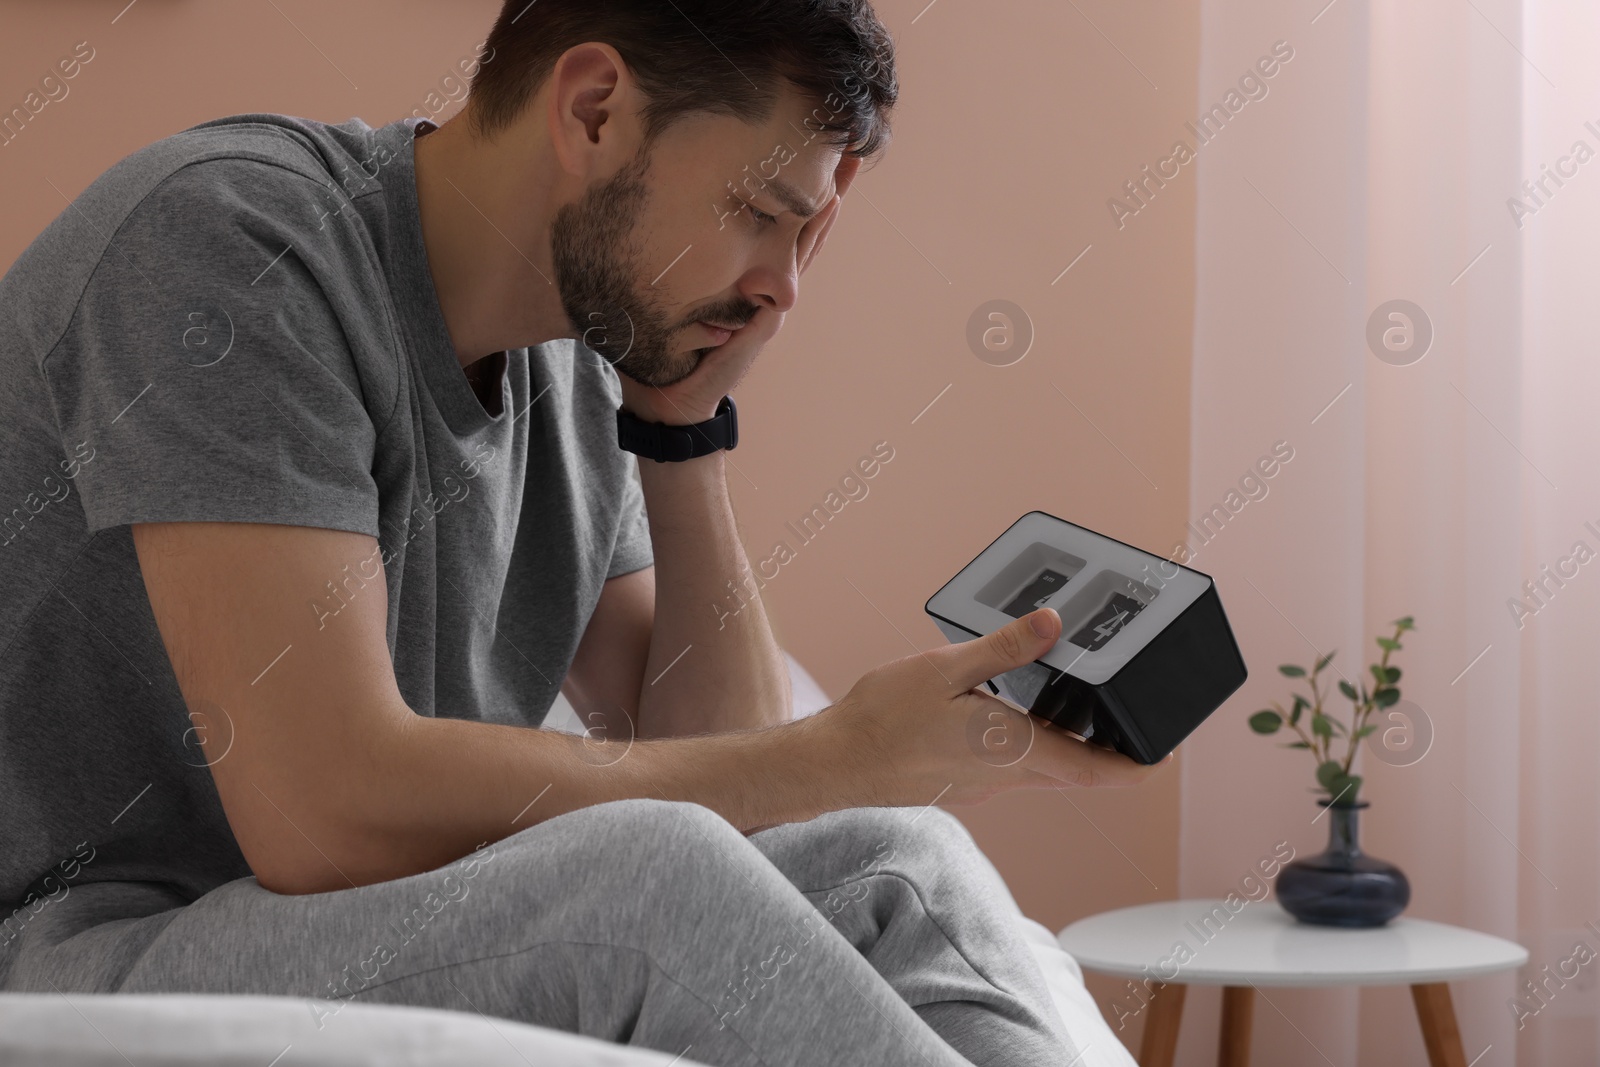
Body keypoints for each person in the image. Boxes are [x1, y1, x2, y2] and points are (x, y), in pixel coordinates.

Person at [0, 2, 1166, 1063]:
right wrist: (841, 748)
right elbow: (320, 813)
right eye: (761, 213)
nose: (785, 289)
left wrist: (683, 423)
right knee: (649, 886)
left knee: (901, 857)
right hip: (84, 941)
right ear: (594, 108)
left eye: (804, 238)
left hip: (357, 921)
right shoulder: (232, 242)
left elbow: (731, 766)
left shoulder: (568, 345)